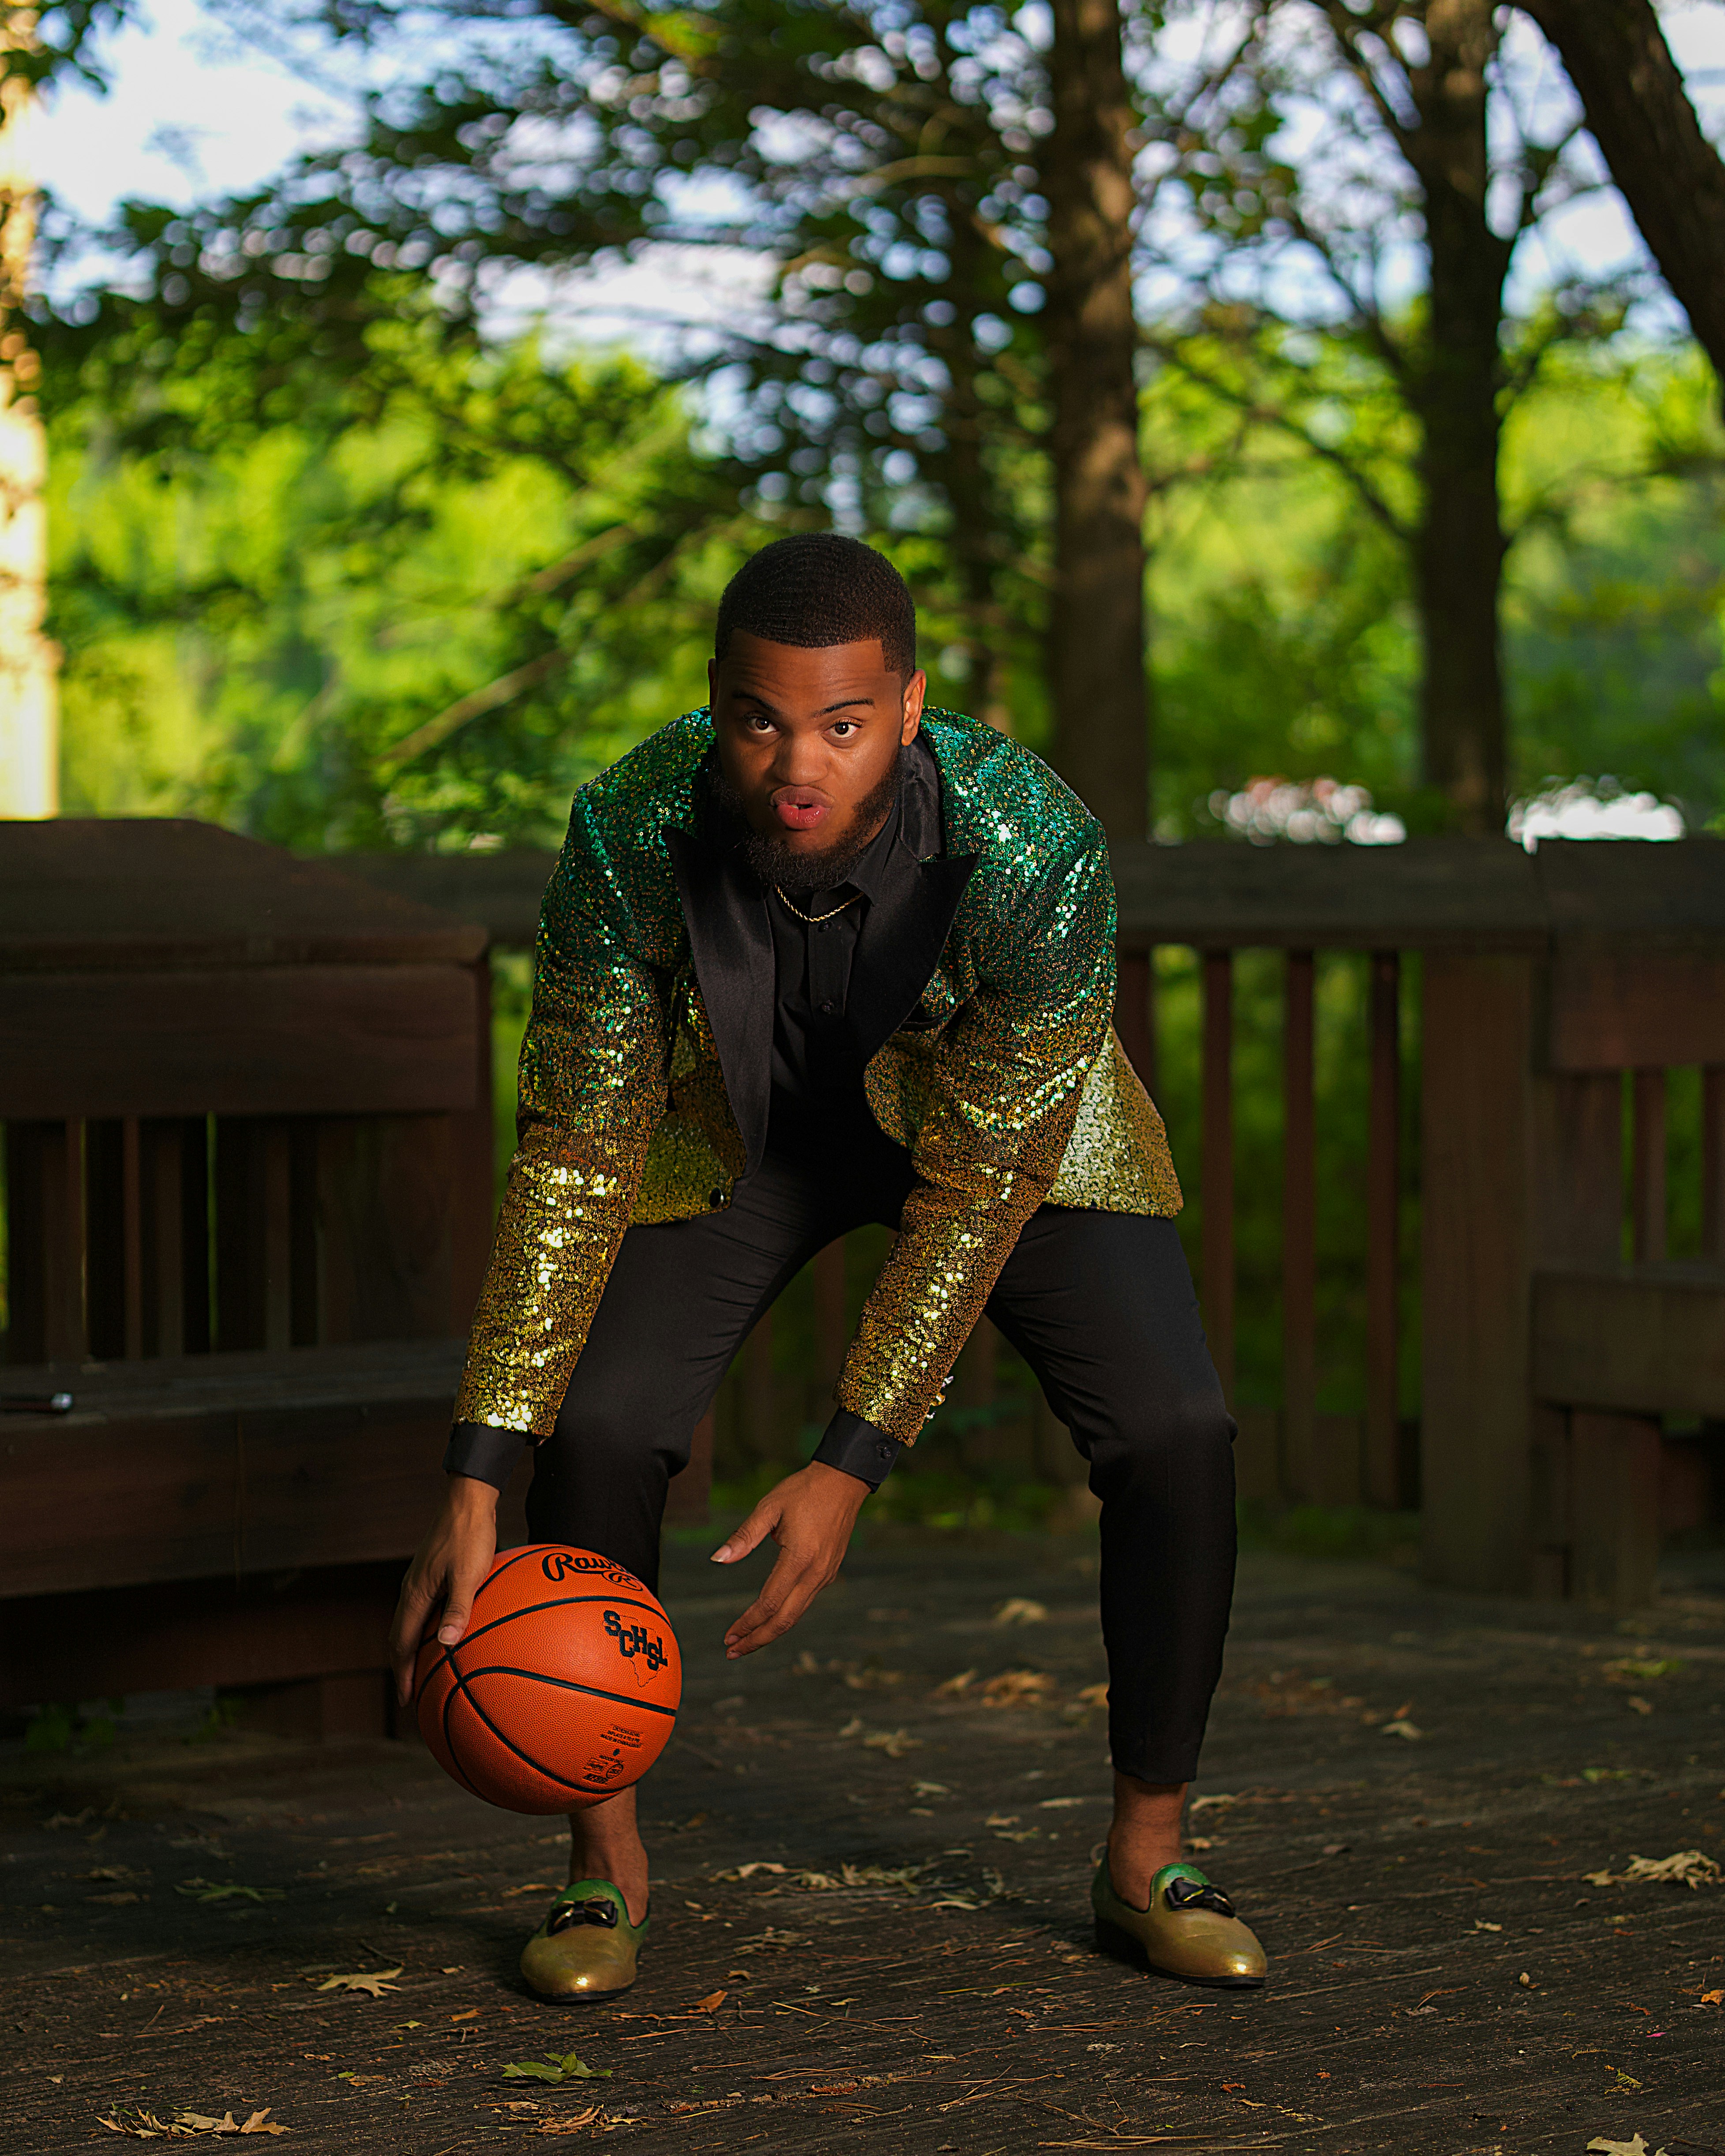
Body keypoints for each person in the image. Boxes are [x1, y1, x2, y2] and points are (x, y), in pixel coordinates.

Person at [389, 533, 1264, 1999]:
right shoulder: (625, 829)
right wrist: (480, 1466)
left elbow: (979, 1185)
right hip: (747, 1134)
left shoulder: (1037, 845)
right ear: (716, 701)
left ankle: (1147, 1854)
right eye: (760, 721)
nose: (799, 765)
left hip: (997, 1136)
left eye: (845, 726)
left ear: (910, 709)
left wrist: (852, 1459)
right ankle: (601, 1861)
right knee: (601, 1425)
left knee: (1177, 1427)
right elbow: (578, 1147)